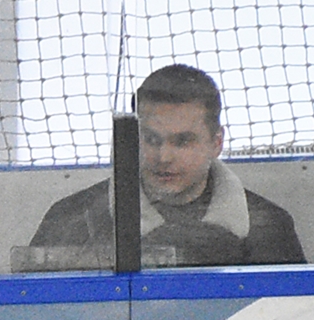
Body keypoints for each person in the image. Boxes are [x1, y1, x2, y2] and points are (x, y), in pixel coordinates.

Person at [22, 63, 305, 269]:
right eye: (151, 139)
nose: (163, 156)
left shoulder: (269, 227)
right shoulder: (71, 219)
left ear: (216, 142)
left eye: (182, 142)